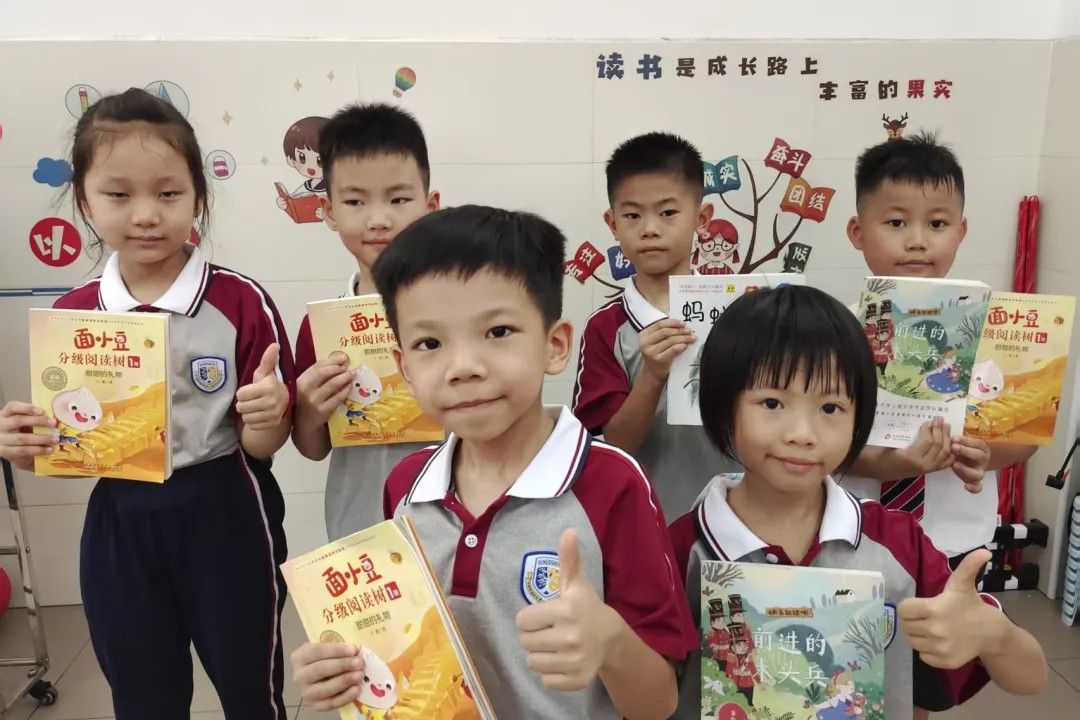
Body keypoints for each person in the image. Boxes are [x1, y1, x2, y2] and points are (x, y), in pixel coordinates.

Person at [289, 205, 697, 719]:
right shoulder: (406, 485)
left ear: (554, 346)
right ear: (404, 368)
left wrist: (610, 641)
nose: (464, 367)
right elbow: (407, 650)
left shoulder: (612, 484)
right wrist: (346, 667)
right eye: (430, 343)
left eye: (498, 332)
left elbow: (658, 704)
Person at [0, 88, 296, 719]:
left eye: (167, 193)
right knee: (143, 697)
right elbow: (68, 450)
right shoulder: (73, 315)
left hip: (227, 510)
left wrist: (270, 417)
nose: (145, 215)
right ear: (84, 200)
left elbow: (263, 445)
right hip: (120, 521)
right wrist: (28, 448)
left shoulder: (240, 301)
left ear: (198, 198)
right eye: (118, 194)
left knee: (251, 691)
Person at [667, 284, 1047, 719]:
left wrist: (993, 634)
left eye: (831, 408)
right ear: (722, 405)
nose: (802, 433)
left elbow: (1031, 678)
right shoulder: (679, 551)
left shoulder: (897, 542)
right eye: (772, 402)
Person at [842, 133, 1037, 574]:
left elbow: (1025, 437)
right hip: (854, 536)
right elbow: (817, 439)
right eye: (896, 222)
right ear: (857, 231)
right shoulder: (833, 332)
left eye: (937, 224)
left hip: (957, 540)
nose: (917, 241)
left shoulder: (1000, 329)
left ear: (960, 231)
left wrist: (985, 454)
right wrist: (890, 465)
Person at [291, 103, 440, 541]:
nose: (378, 220)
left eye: (399, 199)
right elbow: (313, 449)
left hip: (455, 527)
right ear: (329, 211)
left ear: (431, 205)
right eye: (355, 201)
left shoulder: (461, 315)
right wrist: (308, 410)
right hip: (361, 527)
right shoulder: (322, 327)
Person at [572, 131, 734, 519]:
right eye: (632, 215)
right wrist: (653, 375)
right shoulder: (606, 328)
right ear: (612, 223)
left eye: (667, 213)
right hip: (645, 520)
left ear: (702, 219)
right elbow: (611, 445)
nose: (649, 229)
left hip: (740, 516)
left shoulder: (741, 311)